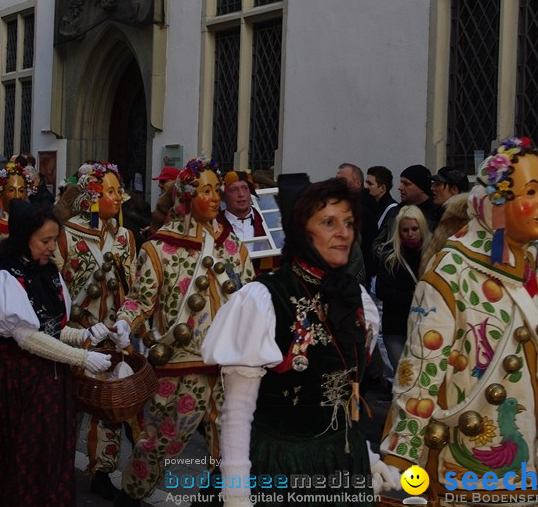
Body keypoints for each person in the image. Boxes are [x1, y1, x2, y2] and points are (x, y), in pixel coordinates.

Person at [379, 137, 538, 505]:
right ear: (497, 203)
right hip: (472, 464)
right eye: (531, 191)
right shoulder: (451, 271)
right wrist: (400, 461)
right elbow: (420, 372)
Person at [203, 177, 391, 506]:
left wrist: (368, 457)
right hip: (278, 465)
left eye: (348, 223)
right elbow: (237, 410)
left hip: (342, 464)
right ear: (303, 231)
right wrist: (235, 493)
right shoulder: (263, 298)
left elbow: (344, 394)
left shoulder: (357, 297)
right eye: (329, 223)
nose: (344, 233)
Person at [0, 200, 111, 506]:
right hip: (12, 380)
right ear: (24, 237)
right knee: (14, 454)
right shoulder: (5, 277)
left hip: (48, 380)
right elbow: (27, 337)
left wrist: (84, 335)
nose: (52, 249)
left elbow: (52, 328)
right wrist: (82, 357)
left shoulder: (48, 273)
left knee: (46, 454)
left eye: (53, 241)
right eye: (45, 241)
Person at [110, 157, 255, 506]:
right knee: (163, 439)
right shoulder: (159, 248)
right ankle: (132, 494)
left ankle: (216, 498)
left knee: (231, 442)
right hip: (180, 364)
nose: (214, 198)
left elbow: (251, 293)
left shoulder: (232, 245)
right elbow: (141, 299)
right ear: (187, 196)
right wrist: (123, 322)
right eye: (206, 190)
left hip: (229, 365)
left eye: (216, 191)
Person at [53, 161, 136, 500]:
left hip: (113, 335)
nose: (119, 198)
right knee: (68, 404)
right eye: (112, 191)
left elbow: (135, 286)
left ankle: (103, 470)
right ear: (91, 195)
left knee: (109, 406)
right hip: (78, 332)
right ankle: (58, 465)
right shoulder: (66, 233)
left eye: (118, 191)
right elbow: (56, 282)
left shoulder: (125, 237)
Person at [376, 206, 429, 374]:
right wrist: (412, 297)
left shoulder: (433, 252)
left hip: (424, 324)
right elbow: (382, 290)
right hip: (396, 326)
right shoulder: (390, 254)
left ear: (422, 228)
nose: (410, 234)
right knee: (402, 377)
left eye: (414, 229)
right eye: (405, 230)